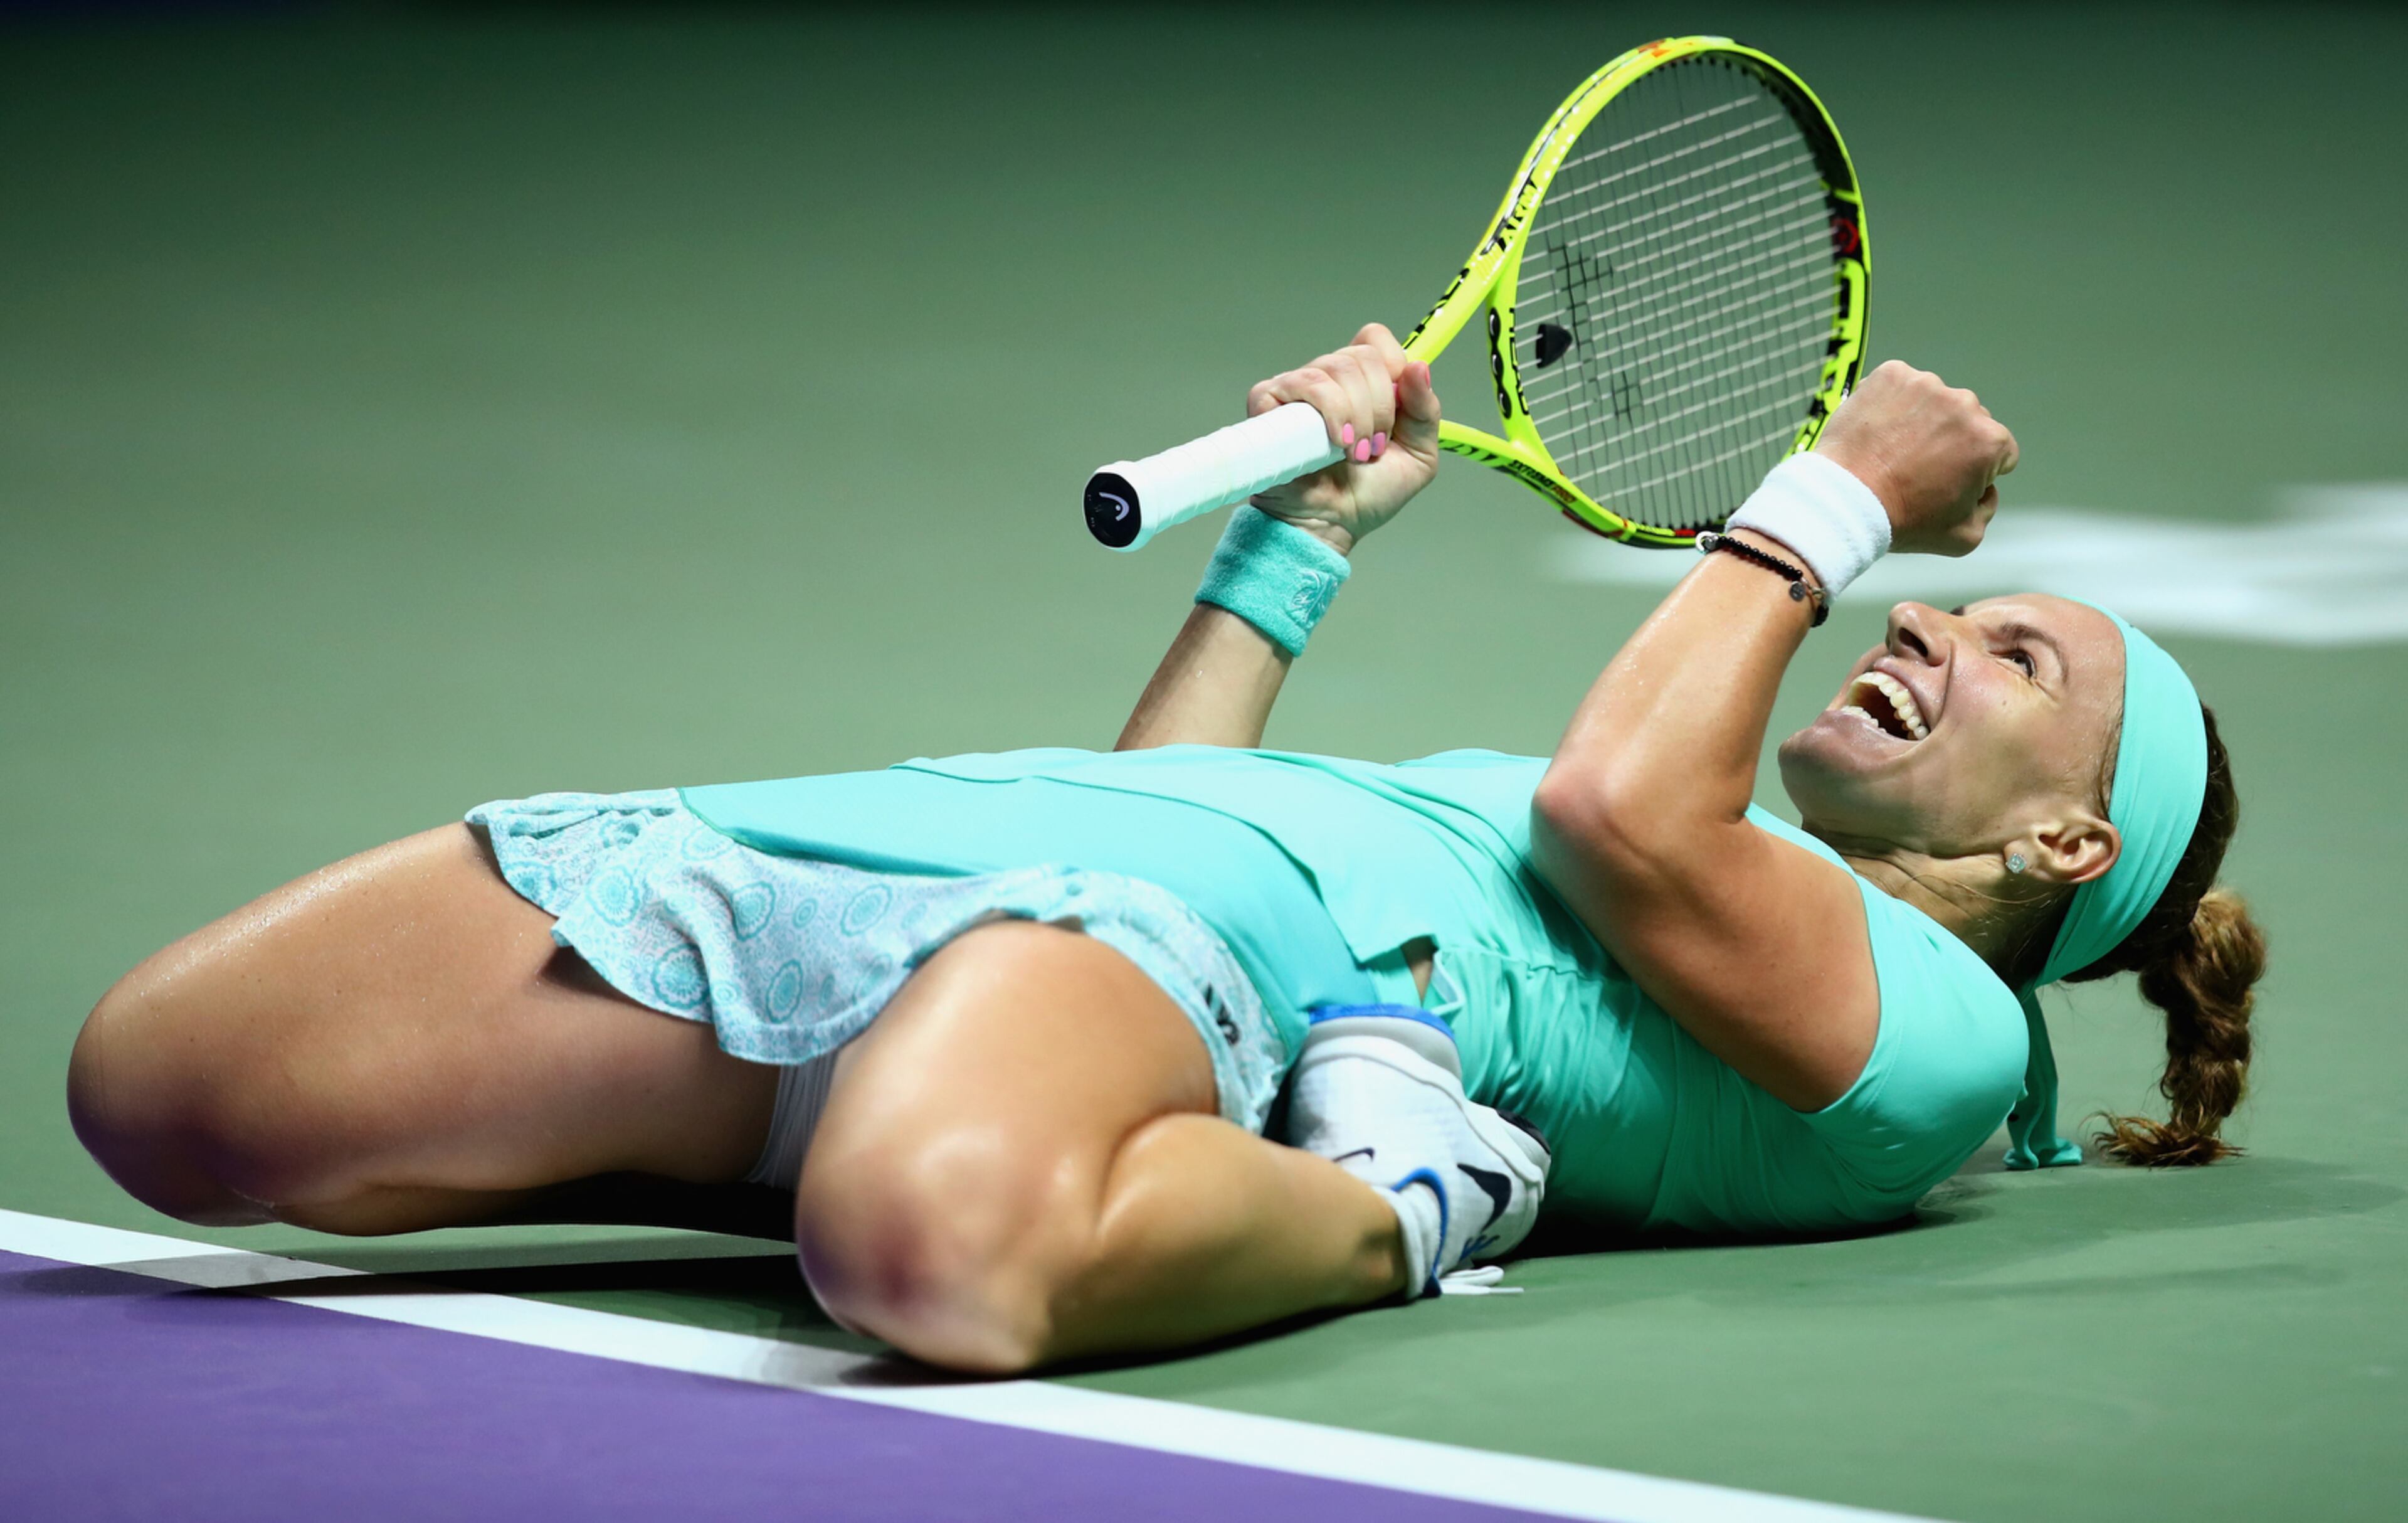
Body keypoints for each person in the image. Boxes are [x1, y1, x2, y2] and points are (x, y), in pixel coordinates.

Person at [65, 327, 2264, 1375]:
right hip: (963, 853)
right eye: (1943, 605)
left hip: (1160, 956)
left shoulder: (1944, 1038)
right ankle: (827, 1125)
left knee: (929, 1255)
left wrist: (1839, 492)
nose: (1925, 631)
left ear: (2068, 835)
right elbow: (1188, 814)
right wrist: (1297, 552)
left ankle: (1401, 1195)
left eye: (2015, 656)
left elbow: (1615, 807)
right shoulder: (1708, 844)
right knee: (169, 1090)